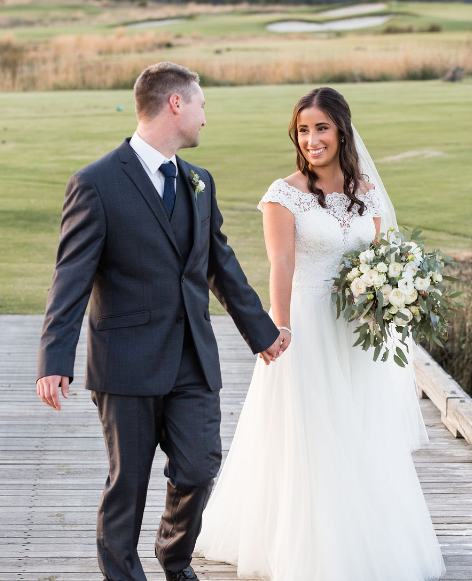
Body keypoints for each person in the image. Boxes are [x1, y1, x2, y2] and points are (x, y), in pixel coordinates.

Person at [35, 62, 283, 581]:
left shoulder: (199, 181)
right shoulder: (96, 183)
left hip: (193, 356)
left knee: (199, 467)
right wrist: (54, 359)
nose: (204, 118)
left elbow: (220, 264)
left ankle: (174, 557)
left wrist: (260, 331)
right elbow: (70, 279)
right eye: (201, 105)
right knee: (128, 483)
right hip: (126, 362)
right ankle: (123, 574)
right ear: (176, 104)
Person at [195, 87, 447, 581]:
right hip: (307, 326)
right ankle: (309, 549)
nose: (312, 139)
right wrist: (280, 325)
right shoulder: (282, 194)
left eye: (322, 128)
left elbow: (383, 254)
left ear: (342, 131)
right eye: (304, 130)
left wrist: (398, 291)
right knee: (310, 432)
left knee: (360, 429)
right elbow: (281, 264)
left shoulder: (367, 192)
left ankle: (371, 537)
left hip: (358, 332)